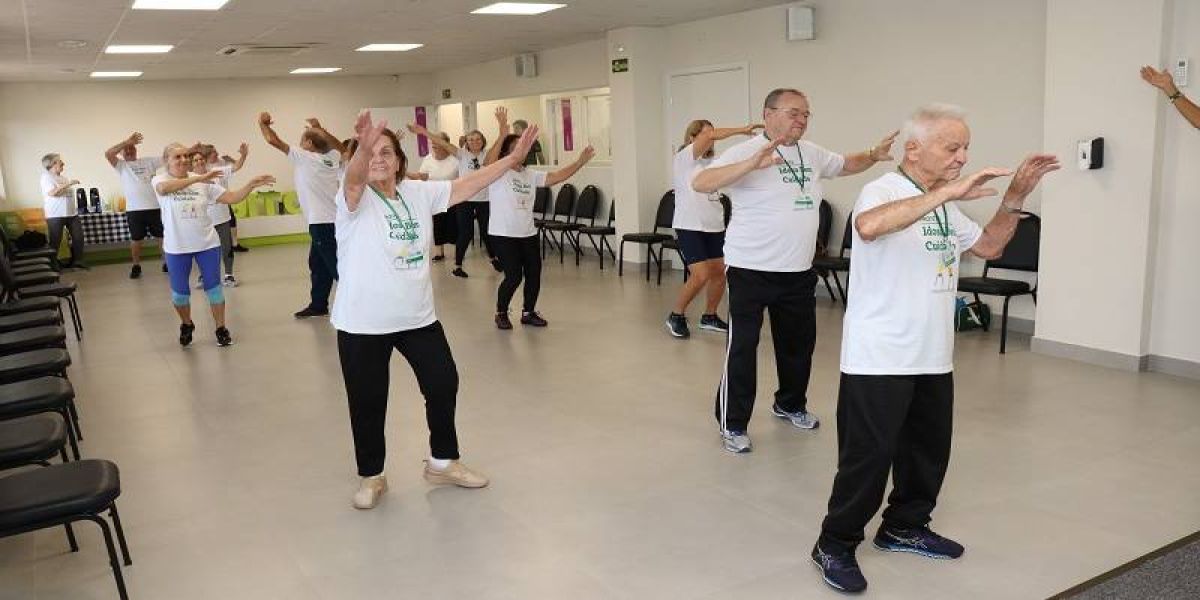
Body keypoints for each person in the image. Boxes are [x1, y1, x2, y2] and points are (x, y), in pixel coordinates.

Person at [811, 104, 1059, 594]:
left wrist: (1013, 198)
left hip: (931, 353)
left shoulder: (944, 203)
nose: (963, 156)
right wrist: (946, 192)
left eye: (965, 146)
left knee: (927, 452)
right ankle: (834, 543)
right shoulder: (881, 190)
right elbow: (869, 227)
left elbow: (988, 247)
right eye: (953, 147)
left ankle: (904, 525)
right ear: (914, 149)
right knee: (868, 457)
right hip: (879, 355)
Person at [333, 110, 539, 509]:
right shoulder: (351, 199)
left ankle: (443, 462)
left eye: (387, 153)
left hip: (417, 317)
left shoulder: (417, 192)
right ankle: (372, 475)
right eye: (370, 153)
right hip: (363, 322)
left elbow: (467, 184)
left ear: (399, 160)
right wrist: (361, 148)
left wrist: (512, 160)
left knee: (443, 384)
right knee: (368, 401)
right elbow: (356, 178)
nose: (379, 159)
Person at [692, 88, 897, 454]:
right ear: (768, 114)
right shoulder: (744, 151)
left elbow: (844, 164)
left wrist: (872, 155)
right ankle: (732, 422)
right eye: (793, 113)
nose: (801, 120)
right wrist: (749, 165)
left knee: (798, 347)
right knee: (742, 349)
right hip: (750, 270)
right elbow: (701, 183)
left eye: (805, 114)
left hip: (798, 272)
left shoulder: (811, 152)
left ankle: (789, 404)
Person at [152, 143, 274, 347]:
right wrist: (199, 178)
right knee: (179, 295)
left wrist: (250, 185)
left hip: (207, 244)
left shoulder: (205, 183)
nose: (184, 160)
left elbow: (232, 197)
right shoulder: (161, 179)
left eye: (185, 156)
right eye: (177, 157)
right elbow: (164, 189)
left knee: (214, 289)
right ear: (167, 161)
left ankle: (221, 328)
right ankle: (186, 323)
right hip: (177, 247)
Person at [485, 106, 594, 330]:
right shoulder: (498, 172)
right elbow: (488, 162)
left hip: (527, 233)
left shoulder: (529, 174)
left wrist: (579, 162)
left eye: (523, 148)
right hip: (503, 234)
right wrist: (503, 132)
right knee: (514, 276)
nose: (521, 152)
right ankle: (501, 312)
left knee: (534, 273)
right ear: (506, 153)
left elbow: (555, 177)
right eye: (516, 148)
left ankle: (528, 311)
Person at [665, 120, 761, 339]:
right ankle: (676, 315)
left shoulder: (714, 163)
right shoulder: (684, 159)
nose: (712, 137)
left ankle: (709, 316)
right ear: (692, 138)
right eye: (706, 133)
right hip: (689, 225)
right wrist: (741, 129)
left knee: (719, 272)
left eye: (712, 132)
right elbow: (709, 138)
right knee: (701, 274)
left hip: (714, 225)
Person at [259, 113, 345, 318]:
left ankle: (359, 304)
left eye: (302, 139)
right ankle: (318, 305)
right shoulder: (331, 159)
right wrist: (321, 128)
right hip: (330, 221)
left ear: (308, 143)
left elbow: (272, 140)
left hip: (322, 223)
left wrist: (262, 123)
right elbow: (342, 148)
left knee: (335, 266)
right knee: (318, 264)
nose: (299, 143)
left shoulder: (305, 157)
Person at [411, 123, 500, 278]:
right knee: (465, 233)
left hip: (484, 200)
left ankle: (493, 258)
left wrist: (503, 131)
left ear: (483, 141)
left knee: (487, 232)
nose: (474, 142)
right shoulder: (461, 154)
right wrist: (424, 132)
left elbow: (499, 148)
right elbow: (442, 142)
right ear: (466, 142)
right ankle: (457, 266)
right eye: (470, 139)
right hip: (464, 199)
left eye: (477, 139)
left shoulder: (487, 154)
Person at [105, 132, 164, 278]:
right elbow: (108, 153)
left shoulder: (149, 161)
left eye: (133, 148)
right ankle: (136, 265)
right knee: (136, 239)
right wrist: (127, 141)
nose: (130, 151)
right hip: (135, 211)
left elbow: (168, 158)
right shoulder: (121, 166)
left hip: (154, 207)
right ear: (122, 152)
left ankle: (167, 262)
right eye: (127, 149)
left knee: (162, 236)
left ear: (137, 150)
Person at [188, 148, 242, 287]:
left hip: (222, 218)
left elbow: (236, 166)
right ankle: (203, 276)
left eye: (201, 159)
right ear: (191, 164)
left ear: (205, 161)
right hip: (202, 221)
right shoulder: (188, 180)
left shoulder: (217, 173)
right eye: (195, 160)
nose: (199, 162)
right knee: (203, 249)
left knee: (226, 248)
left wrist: (244, 155)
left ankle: (229, 275)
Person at [412, 130, 461, 261]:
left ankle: (458, 252)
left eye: (437, 142)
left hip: (453, 197)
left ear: (445, 144)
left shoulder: (455, 159)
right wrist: (407, 174)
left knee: (454, 225)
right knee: (438, 225)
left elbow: (463, 177)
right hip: (435, 198)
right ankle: (439, 252)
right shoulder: (428, 159)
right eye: (432, 142)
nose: (434, 145)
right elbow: (422, 176)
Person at [39, 153, 86, 269]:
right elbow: (52, 193)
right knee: (55, 241)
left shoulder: (63, 178)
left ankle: (78, 262)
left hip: (71, 214)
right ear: (52, 164)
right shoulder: (46, 177)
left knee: (79, 237)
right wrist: (69, 184)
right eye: (59, 161)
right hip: (55, 215)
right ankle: (52, 266)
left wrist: (66, 183)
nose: (63, 163)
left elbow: (64, 193)